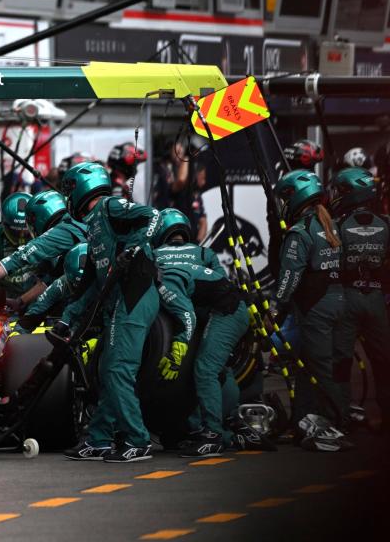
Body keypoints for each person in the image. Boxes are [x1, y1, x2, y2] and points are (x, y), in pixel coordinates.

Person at [61, 161, 160, 463]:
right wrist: (68, 319)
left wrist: (135, 245)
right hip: (116, 303)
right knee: (105, 371)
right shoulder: (93, 227)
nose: (68, 197)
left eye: (69, 190)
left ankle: (138, 440)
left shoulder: (110, 206)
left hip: (134, 296)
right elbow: (90, 284)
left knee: (118, 370)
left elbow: (154, 216)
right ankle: (99, 439)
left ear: (80, 188)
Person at [152, 209, 249, 456]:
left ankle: (213, 435)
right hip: (226, 307)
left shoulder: (156, 263)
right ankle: (222, 426)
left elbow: (186, 314)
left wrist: (177, 349)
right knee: (213, 367)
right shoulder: (204, 253)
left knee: (205, 369)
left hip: (225, 313)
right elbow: (218, 279)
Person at [272, 170, 347, 451]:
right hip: (338, 302)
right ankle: (302, 420)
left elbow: (288, 278)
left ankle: (334, 422)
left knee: (319, 367)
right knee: (311, 364)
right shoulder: (330, 224)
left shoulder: (300, 232)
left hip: (315, 307)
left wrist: (276, 309)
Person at [329, 168, 390, 433]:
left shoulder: (337, 224)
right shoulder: (386, 222)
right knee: (384, 361)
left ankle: (343, 416)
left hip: (348, 296)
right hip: (377, 299)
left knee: (341, 361)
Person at [0, 189, 87, 312]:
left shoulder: (59, 233)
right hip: (9, 303)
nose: (21, 236)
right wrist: (20, 301)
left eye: (25, 231)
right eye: (16, 231)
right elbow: (51, 279)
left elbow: (21, 257)